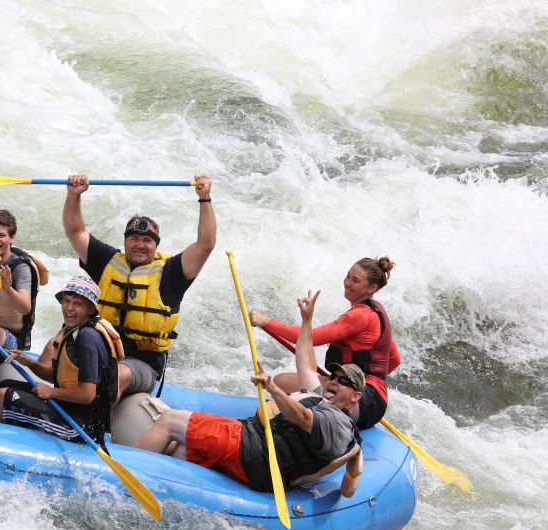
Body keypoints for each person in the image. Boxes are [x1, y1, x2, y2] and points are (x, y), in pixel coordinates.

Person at [135, 291, 364, 498]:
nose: (334, 381)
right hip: (258, 454)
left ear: (355, 396)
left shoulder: (336, 422)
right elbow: (305, 363)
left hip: (254, 453)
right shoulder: (321, 397)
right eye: (333, 376)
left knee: (170, 420)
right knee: (179, 441)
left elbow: (304, 418)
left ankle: (126, 475)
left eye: (344, 382)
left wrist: (273, 388)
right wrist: (306, 321)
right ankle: (154, 477)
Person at [61, 173, 216, 398]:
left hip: (141, 365)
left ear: (155, 245)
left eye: (147, 241)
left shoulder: (172, 272)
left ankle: (96, 423)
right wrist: (73, 195)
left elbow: (206, 245)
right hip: (100, 352)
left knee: (117, 374)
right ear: (125, 241)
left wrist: (204, 199)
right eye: (134, 238)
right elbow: (75, 232)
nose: (140, 245)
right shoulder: (107, 261)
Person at [249, 257, 399, 429]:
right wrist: (348, 382)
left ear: (372, 288)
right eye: (348, 276)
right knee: (282, 381)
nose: (347, 283)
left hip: (359, 403)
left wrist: (266, 321)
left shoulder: (360, 315)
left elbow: (309, 338)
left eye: (355, 280)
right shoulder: (377, 312)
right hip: (377, 403)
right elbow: (394, 360)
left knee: (282, 385)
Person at [0, 275, 122, 444]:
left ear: (90, 309)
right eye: (66, 301)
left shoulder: (88, 338)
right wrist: (30, 363)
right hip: (67, 406)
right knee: (6, 384)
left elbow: (87, 394)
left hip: (80, 427)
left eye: (77, 304)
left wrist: (51, 392)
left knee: (1, 396)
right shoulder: (73, 329)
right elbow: (57, 377)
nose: (69, 308)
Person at [0, 209, 48, 350]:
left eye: (1, 235)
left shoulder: (20, 268)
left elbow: (25, 308)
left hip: (11, 340)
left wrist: (8, 289)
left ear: (12, 238)